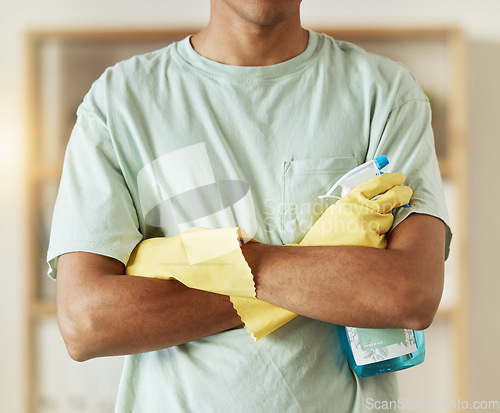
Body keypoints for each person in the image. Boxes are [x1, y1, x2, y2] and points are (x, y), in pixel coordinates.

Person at [48, 0, 451, 411]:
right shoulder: (118, 103)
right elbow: (87, 323)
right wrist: (320, 268)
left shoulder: (386, 95)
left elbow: (409, 293)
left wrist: (199, 263)